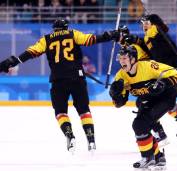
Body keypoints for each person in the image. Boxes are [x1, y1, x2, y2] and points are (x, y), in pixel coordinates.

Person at [0, 19, 120, 153]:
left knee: (61, 112)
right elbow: (91, 39)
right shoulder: (73, 34)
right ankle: (91, 140)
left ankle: (70, 136)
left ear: (54, 29)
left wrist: (16, 61)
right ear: (66, 27)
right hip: (77, 78)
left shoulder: (46, 39)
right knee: (84, 111)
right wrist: (109, 35)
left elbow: (31, 52)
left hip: (58, 80)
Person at [122, 14, 177, 139]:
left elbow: (155, 32)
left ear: (152, 25)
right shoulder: (151, 37)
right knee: (154, 101)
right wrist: (134, 40)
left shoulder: (154, 33)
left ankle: (165, 130)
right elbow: (147, 49)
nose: (143, 26)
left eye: (145, 24)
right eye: (142, 24)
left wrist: (153, 24)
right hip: (165, 74)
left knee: (149, 102)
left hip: (173, 74)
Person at [109, 46, 177, 169]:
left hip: (165, 97)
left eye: (125, 58)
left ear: (133, 59)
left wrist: (162, 84)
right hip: (148, 100)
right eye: (120, 58)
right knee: (139, 126)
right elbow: (119, 104)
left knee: (140, 124)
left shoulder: (148, 66)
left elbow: (176, 74)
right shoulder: (121, 76)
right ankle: (158, 157)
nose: (122, 61)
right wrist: (115, 94)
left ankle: (148, 158)